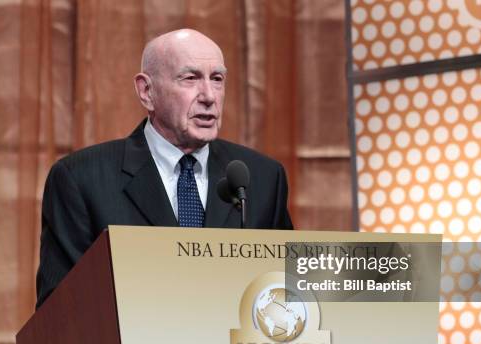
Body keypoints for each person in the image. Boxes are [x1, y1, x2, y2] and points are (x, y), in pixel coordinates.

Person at [36, 29, 293, 308]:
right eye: (190, 78)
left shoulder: (263, 177)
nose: (209, 95)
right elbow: (59, 311)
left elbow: (290, 295)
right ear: (147, 92)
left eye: (217, 79)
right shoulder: (81, 179)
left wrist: (343, 282)